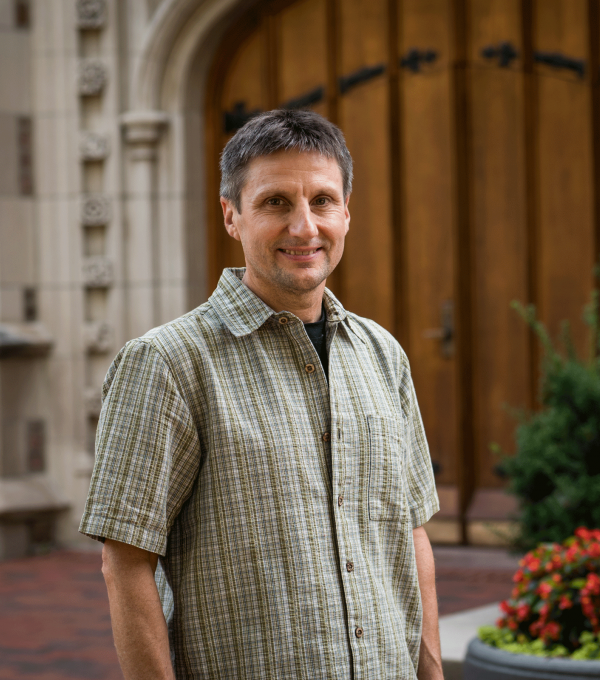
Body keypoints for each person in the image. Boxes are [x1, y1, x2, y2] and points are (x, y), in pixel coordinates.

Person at [80, 109, 443, 680]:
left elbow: (412, 533)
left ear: (346, 213)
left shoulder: (383, 355)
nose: (304, 227)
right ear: (232, 215)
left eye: (322, 200)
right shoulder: (168, 362)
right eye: (276, 202)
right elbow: (125, 563)